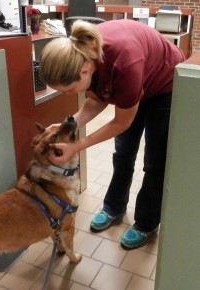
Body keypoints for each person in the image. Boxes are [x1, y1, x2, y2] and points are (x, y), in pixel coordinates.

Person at [39, 19, 185, 249]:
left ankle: (146, 223)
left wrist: (77, 146)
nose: (68, 95)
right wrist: (67, 126)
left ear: (84, 70)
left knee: (155, 163)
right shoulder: (84, 54)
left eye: (68, 89)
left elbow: (121, 122)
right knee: (123, 153)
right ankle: (114, 207)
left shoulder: (124, 62)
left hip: (164, 86)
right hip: (136, 80)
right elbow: (95, 100)